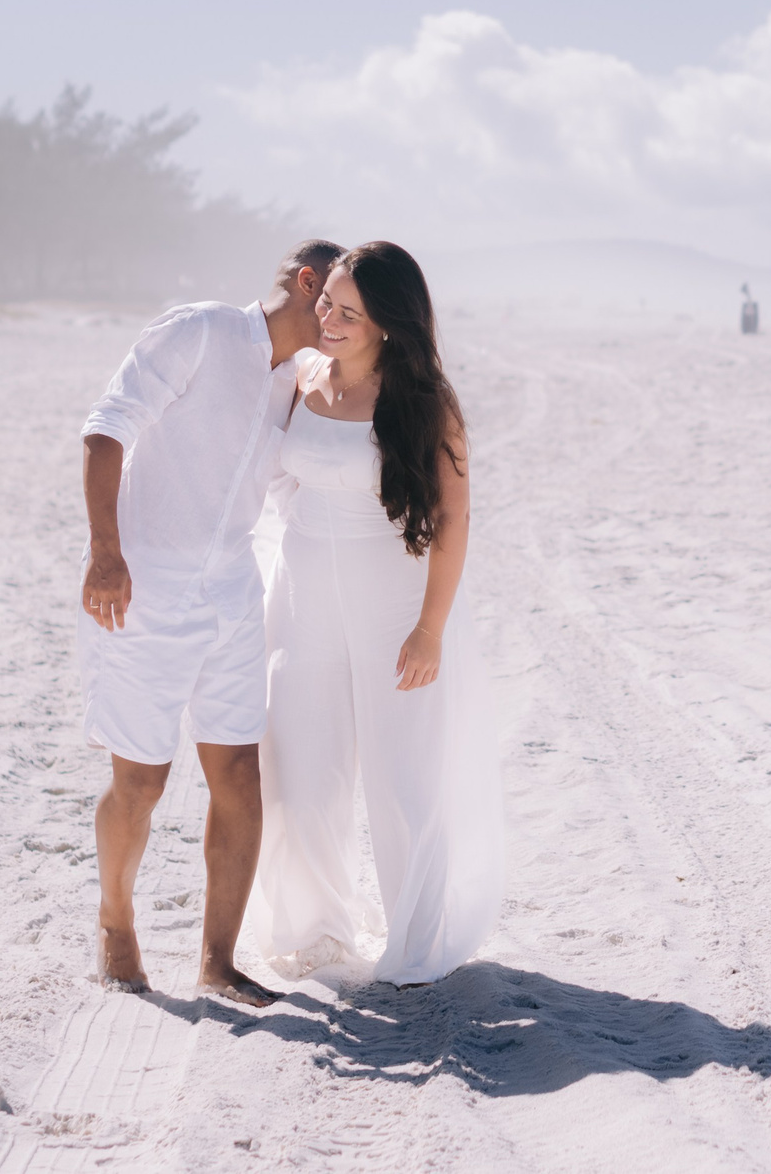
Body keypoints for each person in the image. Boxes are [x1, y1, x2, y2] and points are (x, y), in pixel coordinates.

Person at [78, 238, 344, 1001]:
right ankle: (116, 921)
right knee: (140, 781)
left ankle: (216, 962)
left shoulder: (295, 383)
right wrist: (105, 554)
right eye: (336, 300)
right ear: (306, 282)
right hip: (144, 591)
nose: (341, 319)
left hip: (233, 593)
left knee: (238, 775)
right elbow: (106, 430)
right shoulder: (200, 330)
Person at [253, 241, 502, 986]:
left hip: (395, 606)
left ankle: (416, 941)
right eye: (326, 301)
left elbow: (454, 520)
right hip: (299, 599)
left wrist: (430, 626)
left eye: (348, 313)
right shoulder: (298, 378)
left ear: (388, 325)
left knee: (403, 779)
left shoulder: (425, 402)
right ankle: (316, 930)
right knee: (300, 770)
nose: (326, 319)